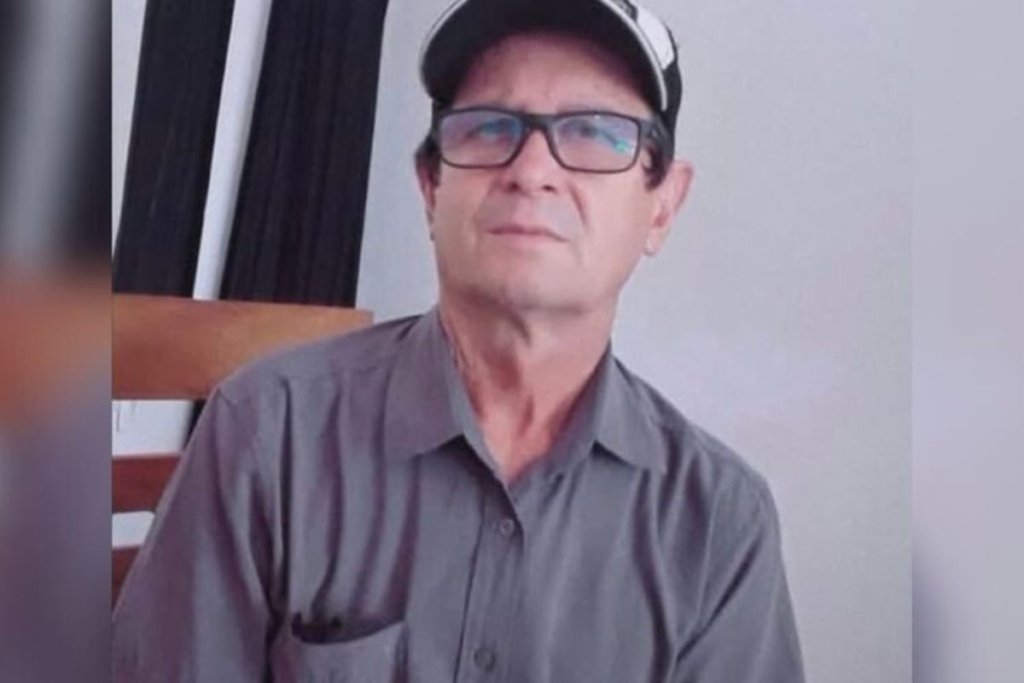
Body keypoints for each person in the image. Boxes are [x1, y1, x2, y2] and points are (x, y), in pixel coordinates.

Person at [113, 0, 805, 680]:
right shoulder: (267, 431)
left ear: (662, 206)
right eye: (489, 127)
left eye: (595, 132)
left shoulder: (719, 524)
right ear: (430, 187)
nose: (532, 170)